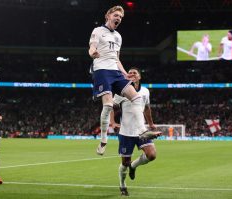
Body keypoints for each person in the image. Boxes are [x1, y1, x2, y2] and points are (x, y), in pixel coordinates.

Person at [88, 5, 161, 155]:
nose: (118, 19)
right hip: (101, 70)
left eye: (120, 17)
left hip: (115, 71)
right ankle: (103, 140)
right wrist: (92, 53)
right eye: (116, 15)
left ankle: (142, 131)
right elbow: (91, 47)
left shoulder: (118, 37)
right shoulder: (98, 31)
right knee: (108, 105)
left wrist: (124, 73)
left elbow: (117, 59)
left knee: (136, 97)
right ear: (108, 15)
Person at [110, 67, 159, 196]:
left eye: (134, 73)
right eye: (129, 72)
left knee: (152, 155)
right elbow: (112, 107)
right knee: (125, 163)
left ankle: (134, 166)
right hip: (126, 132)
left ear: (139, 76)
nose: (131, 74)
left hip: (141, 130)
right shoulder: (122, 91)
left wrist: (151, 124)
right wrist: (113, 122)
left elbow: (147, 108)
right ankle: (122, 185)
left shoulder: (145, 91)